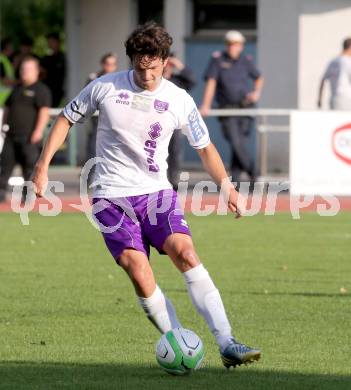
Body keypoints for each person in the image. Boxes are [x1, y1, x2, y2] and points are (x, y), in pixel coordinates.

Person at [31, 22, 261, 368]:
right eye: (141, 67)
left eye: (154, 68)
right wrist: (42, 166)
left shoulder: (178, 99)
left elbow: (205, 147)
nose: (147, 76)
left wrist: (227, 186)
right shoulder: (104, 87)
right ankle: (179, 341)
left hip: (156, 193)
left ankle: (228, 342)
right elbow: (64, 119)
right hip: (110, 196)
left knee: (184, 252)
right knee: (138, 270)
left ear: (165, 62)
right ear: (132, 60)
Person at [200, 30, 264, 186]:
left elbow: (259, 77)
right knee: (236, 143)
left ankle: (235, 181)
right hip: (228, 111)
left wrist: (256, 93)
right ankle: (254, 173)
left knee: (239, 146)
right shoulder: (217, 60)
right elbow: (211, 82)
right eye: (229, 44)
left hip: (244, 109)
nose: (232, 47)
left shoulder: (245, 61)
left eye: (235, 44)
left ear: (241, 46)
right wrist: (206, 105)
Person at [0, 56, 51, 203]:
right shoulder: (16, 88)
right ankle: (1, 199)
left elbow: (44, 111)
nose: (24, 72)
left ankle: (28, 200)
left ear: (36, 71)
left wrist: (38, 131)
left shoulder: (41, 90)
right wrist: (4, 125)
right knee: (4, 167)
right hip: (11, 136)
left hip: (29, 137)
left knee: (29, 168)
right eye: (23, 69)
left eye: (28, 69)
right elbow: (8, 108)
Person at [162, 54, 197, 189]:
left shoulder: (178, 81)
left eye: (170, 64)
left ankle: (172, 180)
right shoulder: (155, 81)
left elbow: (193, 80)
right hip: (156, 122)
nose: (167, 67)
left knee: (174, 151)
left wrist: (178, 64)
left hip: (174, 123)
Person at [86, 53, 118, 167]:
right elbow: (89, 98)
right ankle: (89, 176)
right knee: (94, 148)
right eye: (107, 64)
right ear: (102, 64)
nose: (110, 67)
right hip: (98, 120)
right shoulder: (94, 79)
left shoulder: (119, 80)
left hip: (115, 121)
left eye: (112, 64)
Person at [318, 38, 351, 110]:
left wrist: (320, 99)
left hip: (334, 98)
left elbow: (323, 80)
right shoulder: (348, 61)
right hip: (347, 98)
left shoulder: (333, 61)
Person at [41, 33, 65, 107]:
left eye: (52, 41)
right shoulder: (46, 58)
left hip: (58, 92)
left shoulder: (63, 57)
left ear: (58, 42)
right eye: (49, 42)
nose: (50, 44)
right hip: (47, 91)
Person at [0, 38, 16, 106]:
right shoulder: (1, 61)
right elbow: (4, 81)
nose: (13, 49)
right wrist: (23, 81)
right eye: (12, 47)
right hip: (2, 100)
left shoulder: (5, 60)